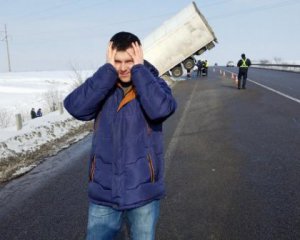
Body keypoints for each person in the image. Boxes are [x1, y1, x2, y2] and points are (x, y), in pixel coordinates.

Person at [63, 31, 177, 240]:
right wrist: (107, 72)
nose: (123, 67)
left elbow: (160, 109)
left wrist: (141, 71)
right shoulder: (103, 85)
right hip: (104, 190)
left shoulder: (154, 83)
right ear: (109, 60)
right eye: (117, 61)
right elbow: (75, 107)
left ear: (139, 58)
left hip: (144, 190)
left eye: (129, 61)